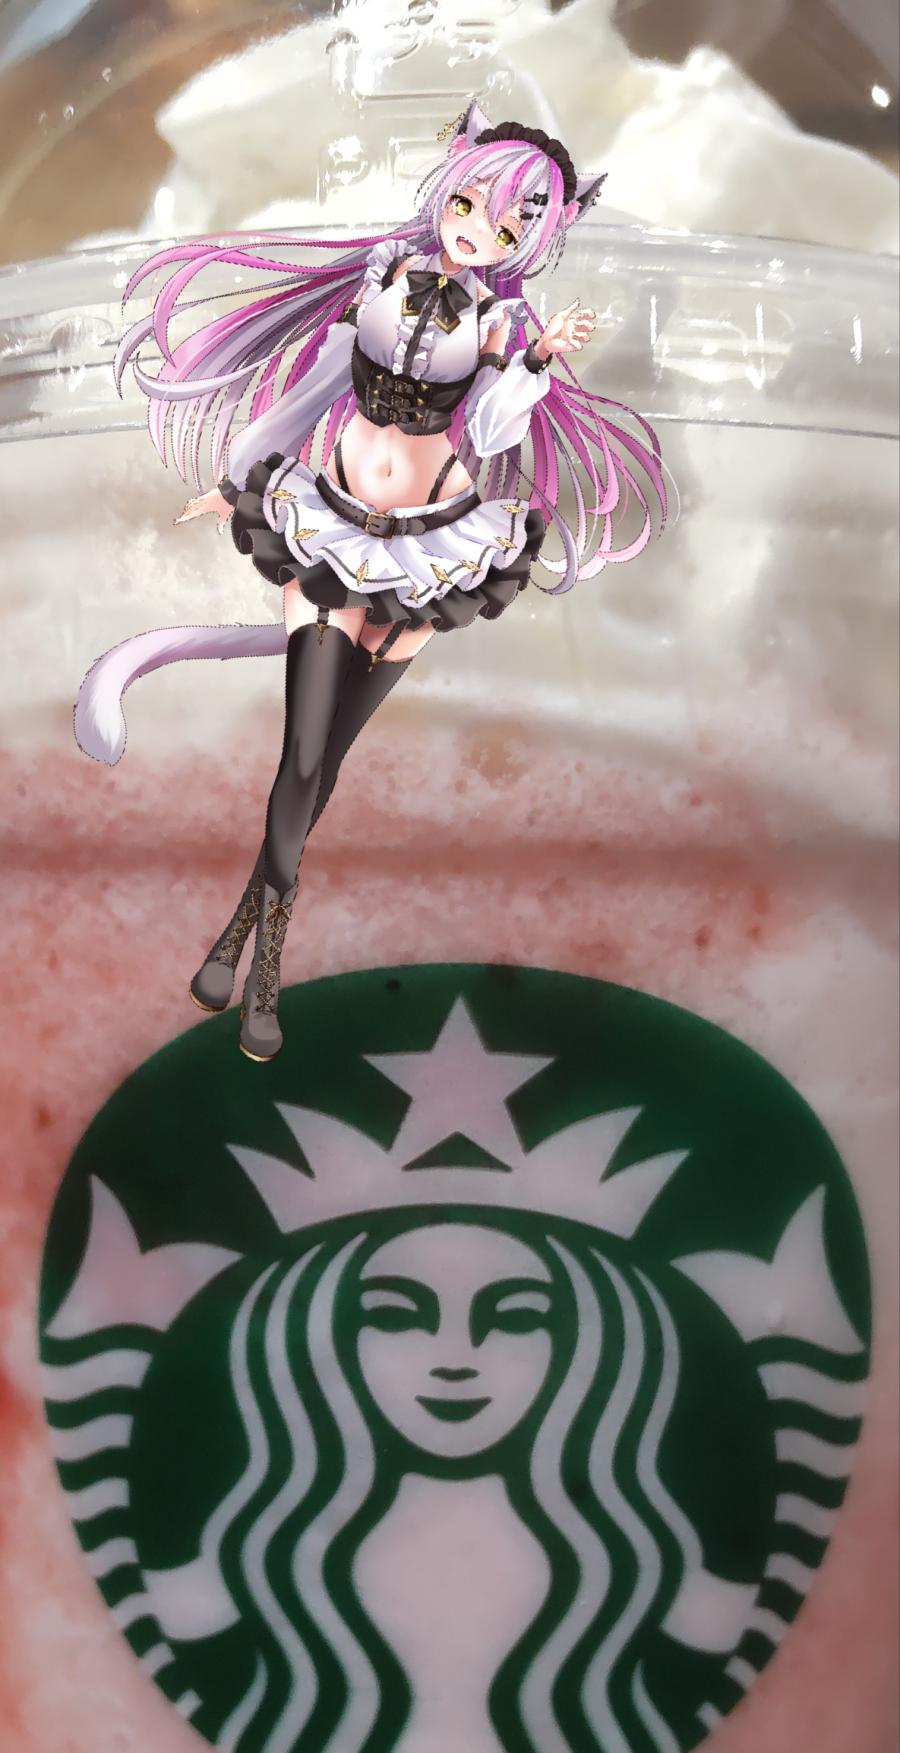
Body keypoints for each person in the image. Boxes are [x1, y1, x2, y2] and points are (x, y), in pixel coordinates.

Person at [74, 99, 667, 1061]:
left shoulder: (503, 320)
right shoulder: (383, 276)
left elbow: (489, 431)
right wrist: (239, 480)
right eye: (469, 203)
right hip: (331, 532)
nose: (479, 231)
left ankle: (236, 942)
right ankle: (263, 976)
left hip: (434, 552)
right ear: (449, 185)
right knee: (302, 762)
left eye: (511, 225)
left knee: (327, 766)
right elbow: (318, 386)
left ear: (535, 239)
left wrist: (536, 361)